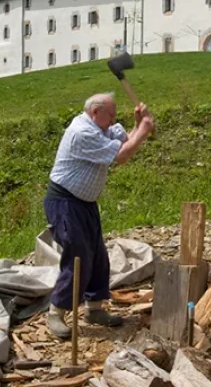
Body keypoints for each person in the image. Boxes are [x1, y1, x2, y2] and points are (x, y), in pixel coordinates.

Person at [44, 92, 155, 338]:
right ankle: (56, 312)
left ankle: (94, 308)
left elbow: (125, 141)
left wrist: (138, 126)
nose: (114, 119)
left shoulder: (99, 127)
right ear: (95, 112)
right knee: (78, 256)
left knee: (98, 255)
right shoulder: (82, 133)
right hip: (65, 202)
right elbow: (123, 156)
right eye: (111, 115)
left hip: (85, 203)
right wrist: (145, 130)